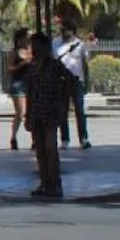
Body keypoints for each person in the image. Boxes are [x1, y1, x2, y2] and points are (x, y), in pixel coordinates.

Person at [24, 32, 76, 198]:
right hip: (37, 111)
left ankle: (55, 183)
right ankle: (44, 182)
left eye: (36, 45)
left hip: (51, 111)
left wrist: (62, 102)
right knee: (40, 150)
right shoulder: (32, 67)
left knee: (50, 148)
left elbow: (70, 79)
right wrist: (28, 115)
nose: (33, 49)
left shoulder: (54, 65)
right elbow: (29, 93)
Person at [53, 18, 91, 149]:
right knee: (62, 111)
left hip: (76, 80)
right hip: (61, 81)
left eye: (66, 30)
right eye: (62, 30)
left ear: (72, 31)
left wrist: (87, 81)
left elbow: (85, 64)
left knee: (79, 110)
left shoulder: (80, 44)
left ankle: (84, 138)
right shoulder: (55, 43)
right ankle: (65, 139)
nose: (64, 33)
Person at [6, 27, 32, 151]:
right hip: (18, 83)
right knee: (21, 113)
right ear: (21, 38)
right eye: (27, 36)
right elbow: (9, 69)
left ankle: (35, 140)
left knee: (31, 112)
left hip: (30, 83)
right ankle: (13, 137)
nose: (29, 39)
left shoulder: (31, 51)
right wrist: (22, 64)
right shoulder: (15, 52)